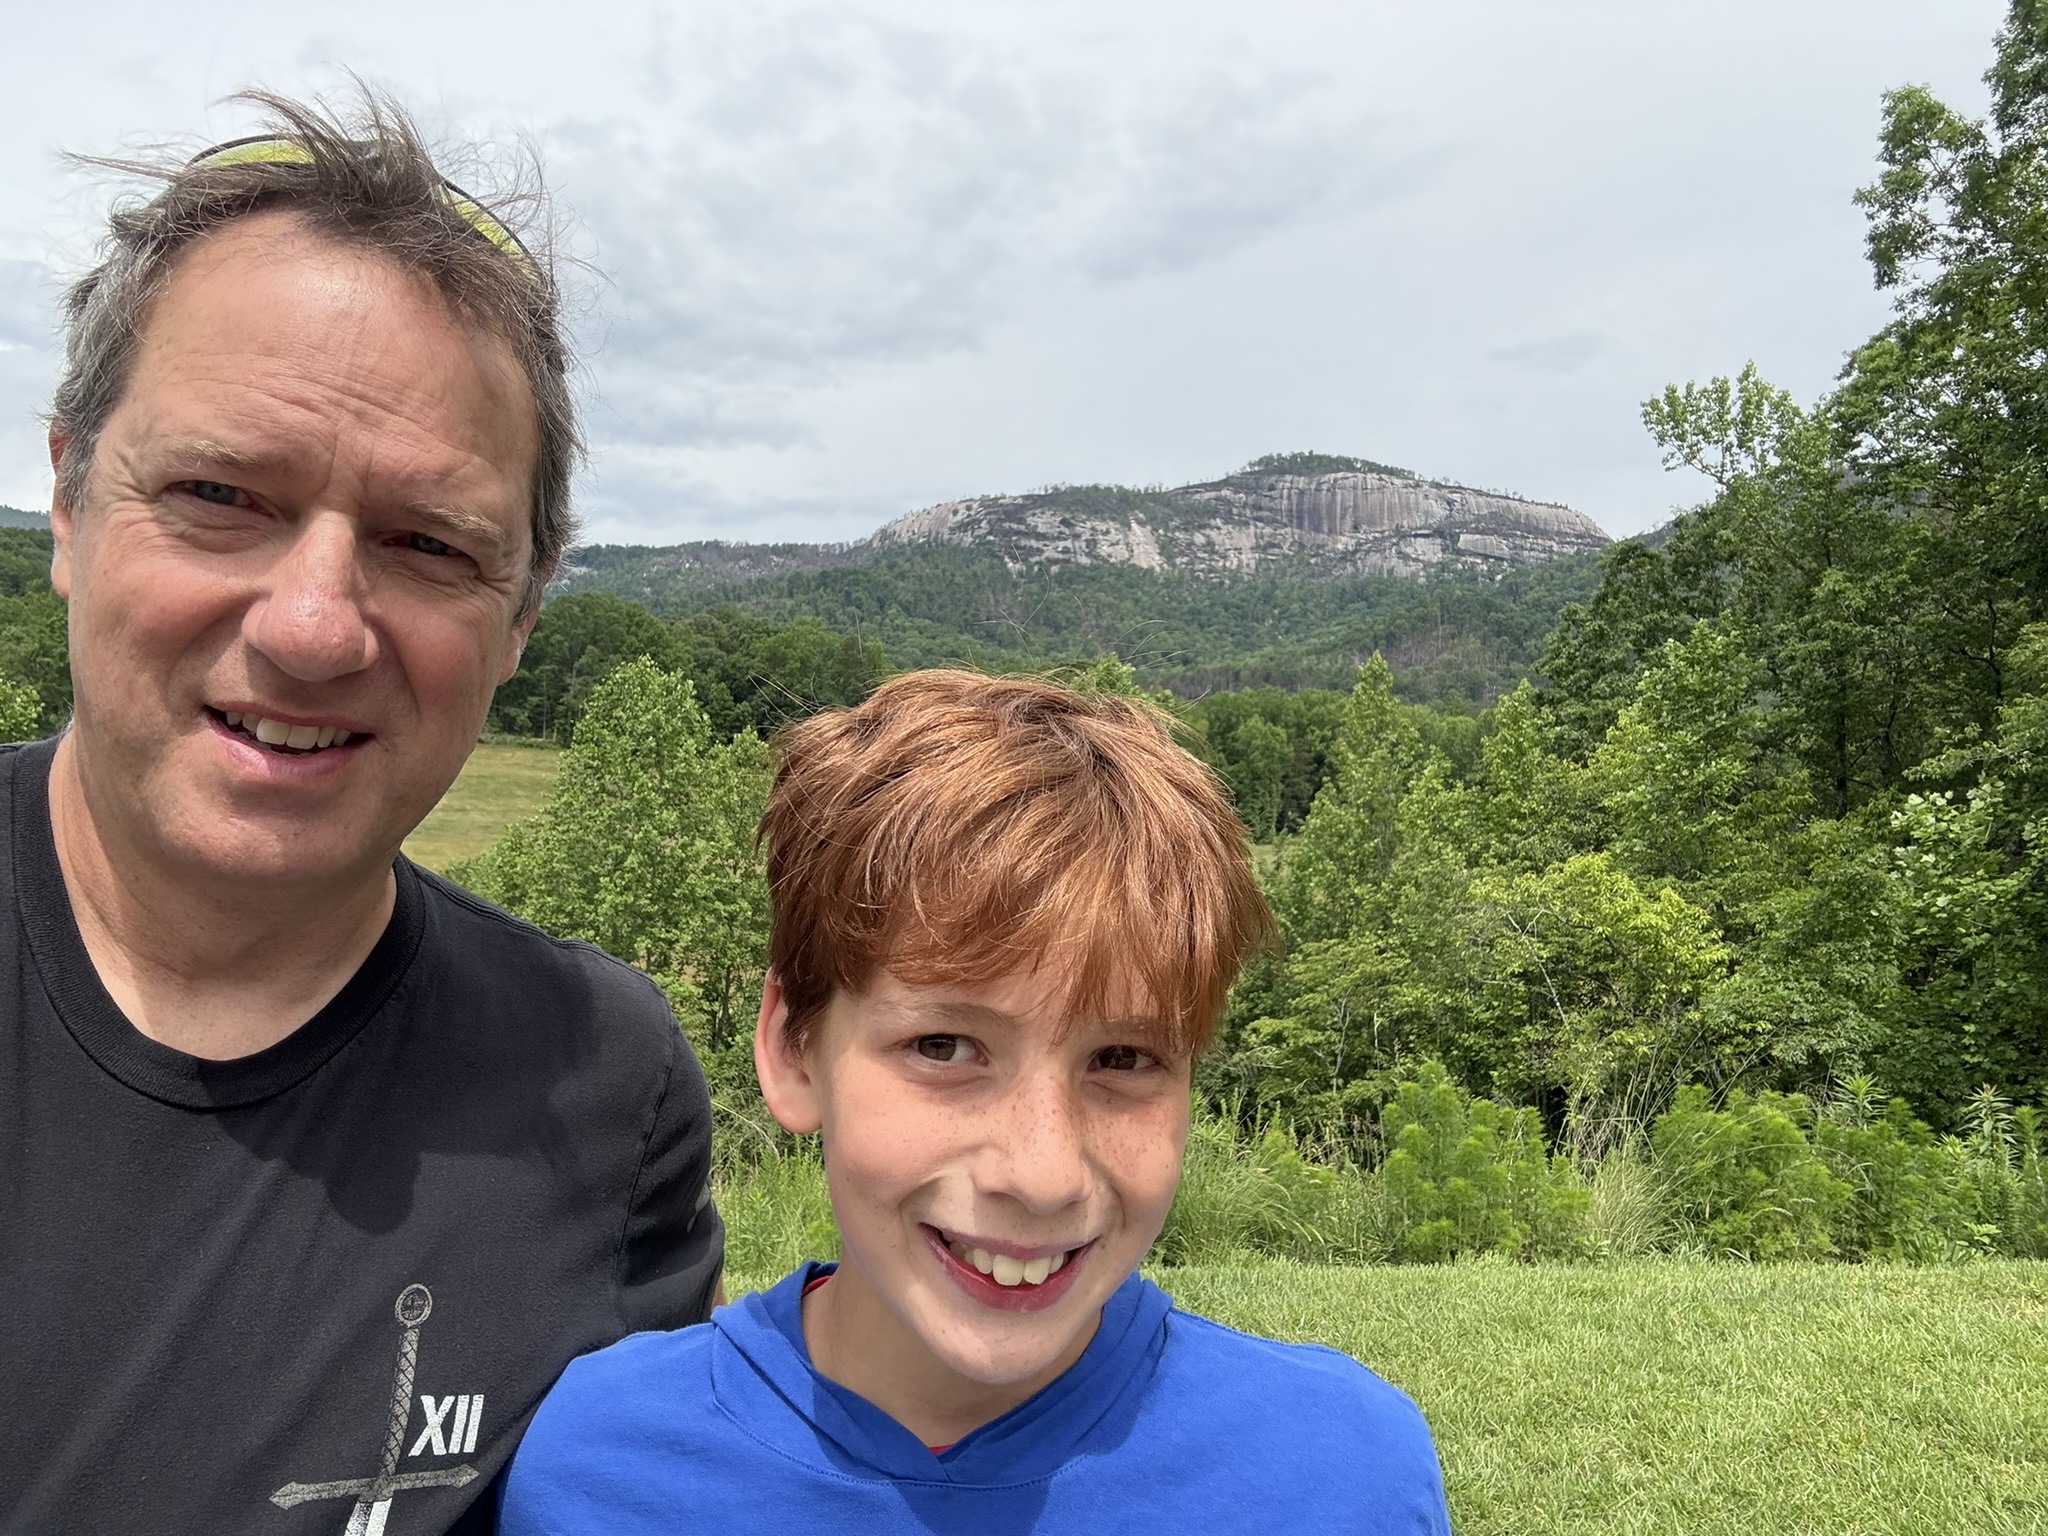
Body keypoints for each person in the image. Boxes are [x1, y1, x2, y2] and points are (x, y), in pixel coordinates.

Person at [0, 92, 722, 1535]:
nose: (316, 625)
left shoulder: (598, 1083)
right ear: (70, 501)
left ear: (522, 616)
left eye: (427, 543)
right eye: (220, 492)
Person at [498, 669, 1451, 1534]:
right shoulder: (601, 1465)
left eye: (1122, 1058)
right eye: (944, 1047)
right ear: (793, 1050)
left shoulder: (1342, 1477)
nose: (1041, 1174)